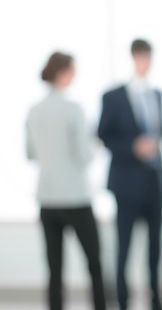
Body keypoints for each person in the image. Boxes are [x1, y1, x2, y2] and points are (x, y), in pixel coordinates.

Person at [98, 39, 162, 310]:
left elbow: (158, 129)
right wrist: (134, 147)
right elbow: (104, 135)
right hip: (126, 184)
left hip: (154, 183)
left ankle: (156, 301)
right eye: (141, 57)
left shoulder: (157, 94)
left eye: (149, 58)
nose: (145, 63)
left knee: (155, 248)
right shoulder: (113, 96)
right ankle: (123, 301)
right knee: (124, 247)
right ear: (134, 58)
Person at [26, 52, 106, 310]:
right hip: (76, 197)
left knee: (54, 268)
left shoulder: (34, 111)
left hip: (47, 197)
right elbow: (84, 155)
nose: (75, 75)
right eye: (73, 70)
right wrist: (96, 143)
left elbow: (30, 153)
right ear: (62, 73)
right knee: (94, 263)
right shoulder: (74, 109)